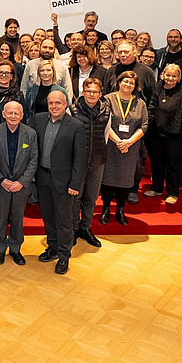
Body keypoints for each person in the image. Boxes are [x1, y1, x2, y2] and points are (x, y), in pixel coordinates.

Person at [31, 90, 86, 274]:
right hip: (43, 177)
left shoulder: (76, 126)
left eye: (58, 103)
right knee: (47, 216)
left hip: (64, 181)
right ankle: (53, 247)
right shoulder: (38, 119)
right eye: (51, 103)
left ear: (66, 104)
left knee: (64, 220)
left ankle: (64, 255)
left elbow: (80, 159)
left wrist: (75, 184)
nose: (54, 106)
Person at [0, 100, 38, 267]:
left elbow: (33, 160)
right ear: (3, 114)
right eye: (9, 113)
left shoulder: (30, 134)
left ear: (22, 115)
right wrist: (1, 179)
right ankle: (0, 248)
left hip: (21, 186)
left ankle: (16, 248)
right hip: (1, 184)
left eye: (16, 113)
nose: (12, 116)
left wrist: (21, 182)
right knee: (1, 217)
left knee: (18, 218)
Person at [101, 71, 148, 223]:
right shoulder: (108, 99)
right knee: (108, 178)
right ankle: (106, 209)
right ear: (119, 82)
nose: (128, 85)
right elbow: (104, 122)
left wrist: (128, 142)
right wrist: (119, 142)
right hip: (111, 145)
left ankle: (120, 210)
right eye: (125, 81)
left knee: (126, 180)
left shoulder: (140, 103)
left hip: (131, 147)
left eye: (131, 83)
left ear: (135, 86)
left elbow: (144, 125)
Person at [145, 63, 182, 205]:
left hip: (175, 135)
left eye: (174, 76)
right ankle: (157, 188)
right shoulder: (157, 88)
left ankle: (173, 192)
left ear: (178, 77)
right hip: (155, 133)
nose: (170, 78)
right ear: (162, 75)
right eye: (168, 75)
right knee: (157, 162)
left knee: (173, 165)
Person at [71, 78, 110, 247]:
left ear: (100, 94)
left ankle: (85, 228)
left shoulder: (107, 111)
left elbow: (107, 134)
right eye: (88, 91)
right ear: (83, 92)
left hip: (98, 160)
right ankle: (72, 229)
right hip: (77, 162)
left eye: (95, 91)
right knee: (75, 197)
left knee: (91, 198)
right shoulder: (72, 110)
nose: (92, 94)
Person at [21, 39, 73, 104]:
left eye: (50, 48)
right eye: (44, 47)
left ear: (54, 50)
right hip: (34, 109)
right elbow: (24, 88)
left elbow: (68, 89)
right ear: (40, 48)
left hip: (56, 109)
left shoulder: (62, 66)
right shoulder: (30, 65)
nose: (47, 50)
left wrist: (66, 107)